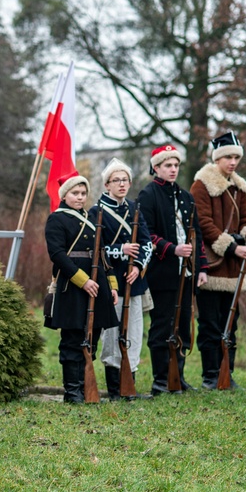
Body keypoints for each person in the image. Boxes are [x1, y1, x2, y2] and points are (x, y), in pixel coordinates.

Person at [137, 145, 207, 395]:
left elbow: (196, 235)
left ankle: (178, 376)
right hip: (162, 273)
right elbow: (147, 234)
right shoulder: (147, 195)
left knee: (183, 326)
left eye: (176, 165)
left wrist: (201, 268)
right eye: (168, 165)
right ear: (156, 168)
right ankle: (161, 380)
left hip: (186, 274)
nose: (173, 169)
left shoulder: (186, 197)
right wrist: (172, 249)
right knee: (162, 326)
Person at [190, 132, 246, 389]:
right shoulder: (201, 185)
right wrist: (232, 248)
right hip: (211, 265)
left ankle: (227, 374)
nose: (233, 162)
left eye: (236, 157)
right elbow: (203, 223)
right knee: (209, 324)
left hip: (232, 270)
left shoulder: (239, 187)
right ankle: (210, 376)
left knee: (231, 323)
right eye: (228, 157)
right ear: (217, 158)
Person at [44, 170, 119, 403]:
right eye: (75, 193)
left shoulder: (91, 218)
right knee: (72, 339)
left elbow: (102, 253)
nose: (80, 197)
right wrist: (82, 280)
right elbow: (57, 254)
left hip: (98, 284)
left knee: (92, 336)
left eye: (83, 193)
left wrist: (112, 284)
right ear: (64, 196)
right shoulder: (56, 218)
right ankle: (72, 392)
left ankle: (87, 387)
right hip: (73, 286)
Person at [93, 159, 153, 400]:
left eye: (125, 180)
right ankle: (115, 388)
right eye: (116, 180)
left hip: (133, 280)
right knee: (112, 333)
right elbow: (95, 250)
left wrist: (138, 266)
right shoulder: (96, 211)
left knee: (134, 331)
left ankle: (130, 384)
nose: (121, 184)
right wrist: (121, 249)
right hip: (111, 281)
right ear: (107, 184)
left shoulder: (134, 208)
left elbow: (147, 243)